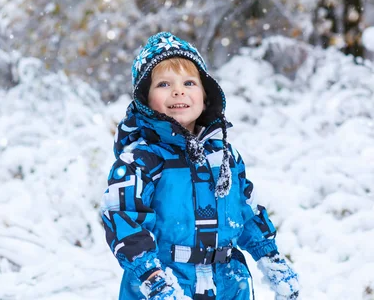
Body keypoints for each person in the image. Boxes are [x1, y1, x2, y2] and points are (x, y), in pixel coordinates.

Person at [100, 32, 299, 300]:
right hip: (167, 281)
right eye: (163, 84)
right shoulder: (140, 160)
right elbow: (122, 217)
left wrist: (270, 258)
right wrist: (153, 278)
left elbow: (246, 211)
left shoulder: (225, 156)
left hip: (229, 282)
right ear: (145, 100)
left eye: (189, 82)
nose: (178, 90)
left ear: (206, 95)